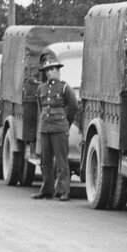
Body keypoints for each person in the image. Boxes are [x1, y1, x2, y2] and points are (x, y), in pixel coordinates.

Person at [30, 57, 79, 200]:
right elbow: (41, 106)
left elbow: (73, 107)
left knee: (61, 161)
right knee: (45, 161)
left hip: (59, 128)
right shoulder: (41, 88)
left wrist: (65, 123)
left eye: (52, 69)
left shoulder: (64, 87)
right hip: (46, 128)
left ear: (58, 71)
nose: (50, 72)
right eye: (47, 70)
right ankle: (47, 190)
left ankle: (63, 191)